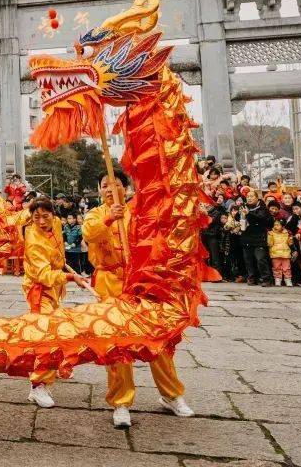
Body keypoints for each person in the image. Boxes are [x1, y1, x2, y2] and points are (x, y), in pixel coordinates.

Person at [82, 173, 193, 428]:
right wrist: (111, 218)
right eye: (105, 186)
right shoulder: (96, 214)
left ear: (126, 188)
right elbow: (90, 233)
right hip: (109, 284)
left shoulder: (139, 212)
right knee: (117, 345)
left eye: (116, 185)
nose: (110, 189)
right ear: (99, 190)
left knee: (156, 339)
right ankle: (121, 402)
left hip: (140, 283)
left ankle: (171, 394)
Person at [21, 196, 90, 408]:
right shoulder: (34, 240)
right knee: (46, 336)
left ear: (53, 214)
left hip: (55, 289)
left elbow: (58, 256)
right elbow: (44, 275)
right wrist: (71, 277)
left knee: (55, 330)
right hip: (39, 290)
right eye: (36, 217)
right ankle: (38, 386)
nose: (41, 222)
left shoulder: (57, 224)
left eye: (46, 216)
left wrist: (68, 270)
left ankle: (54, 365)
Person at [240, 193, 275, 287]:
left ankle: (266, 279)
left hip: (259, 237)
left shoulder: (262, 208)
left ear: (257, 198)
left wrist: (248, 214)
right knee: (248, 260)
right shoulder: (243, 207)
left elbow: (260, 218)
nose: (249, 198)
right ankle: (252, 278)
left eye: (251, 196)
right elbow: (238, 218)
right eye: (248, 197)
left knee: (260, 259)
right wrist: (240, 214)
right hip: (246, 237)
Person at [267, 220, 293, 287]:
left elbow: (290, 243)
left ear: (282, 226)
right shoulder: (272, 233)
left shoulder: (287, 232)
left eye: (278, 225)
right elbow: (270, 244)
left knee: (286, 268)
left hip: (285, 253)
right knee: (276, 267)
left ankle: (288, 280)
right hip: (275, 253)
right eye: (275, 225)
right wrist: (269, 236)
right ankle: (277, 279)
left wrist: (290, 238)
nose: (276, 226)